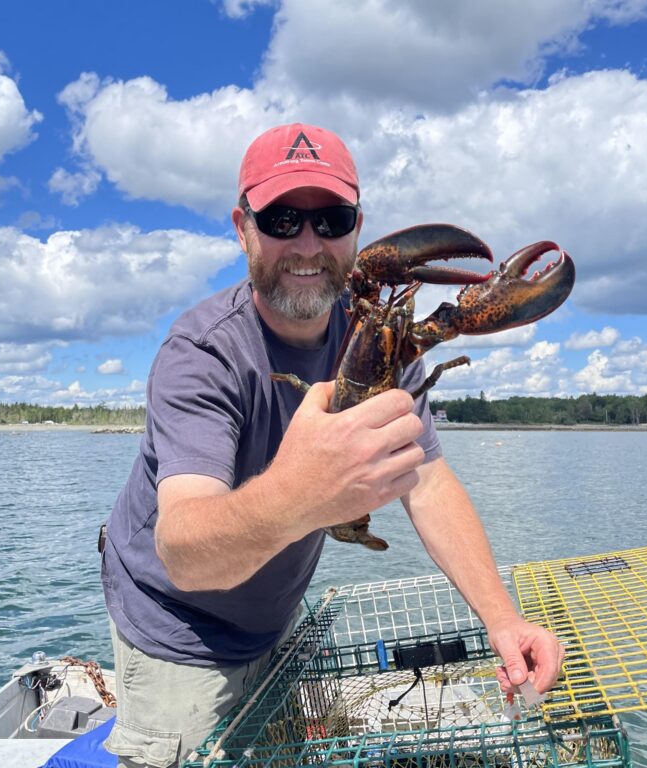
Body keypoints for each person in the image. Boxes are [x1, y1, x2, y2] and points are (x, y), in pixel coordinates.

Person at [101, 123, 565, 767]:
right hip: (178, 628)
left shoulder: (377, 333)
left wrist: (503, 620)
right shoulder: (202, 355)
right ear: (243, 227)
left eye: (333, 219)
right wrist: (300, 493)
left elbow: (426, 479)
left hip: (276, 610)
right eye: (282, 219)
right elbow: (184, 553)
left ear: (358, 229)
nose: (309, 244)